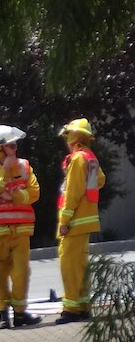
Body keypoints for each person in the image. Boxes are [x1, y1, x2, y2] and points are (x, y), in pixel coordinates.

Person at [0, 125, 42, 330]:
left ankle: (19, 313)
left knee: (21, 273)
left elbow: (34, 192)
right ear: (0, 150)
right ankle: (3, 315)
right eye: (11, 146)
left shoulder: (25, 166)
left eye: (15, 145)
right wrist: (6, 170)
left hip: (22, 230)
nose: (15, 149)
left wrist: (15, 196)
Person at [55, 118, 106, 323]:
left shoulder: (77, 159)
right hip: (87, 219)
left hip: (75, 221)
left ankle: (71, 309)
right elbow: (100, 180)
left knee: (69, 264)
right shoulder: (90, 158)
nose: (67, 141)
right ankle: (84, 306)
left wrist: (65, 220)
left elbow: (73, 193)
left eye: (68, 137)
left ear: (74, 138)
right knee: (81, 265)